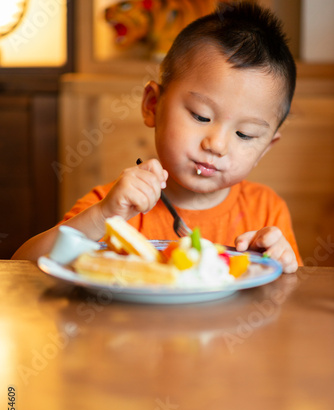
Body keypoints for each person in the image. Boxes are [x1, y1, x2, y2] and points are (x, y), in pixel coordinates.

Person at [12, 1, 302, 272]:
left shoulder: (266, 212)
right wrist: (102, 216)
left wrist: (280, 267)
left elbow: (290, 303)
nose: (217, 144)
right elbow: (22, 268)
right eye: (201, 116)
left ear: (266, 148)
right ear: (152, 105)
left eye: (245, 134)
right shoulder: (117, 205)